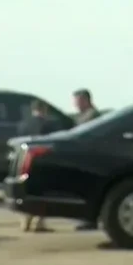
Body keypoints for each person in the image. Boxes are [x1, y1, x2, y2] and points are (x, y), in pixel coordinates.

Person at [15, 100, 65, 233]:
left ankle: (25, 221)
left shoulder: (23, 124)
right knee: (42, 192)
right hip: (43, 160)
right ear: (45, 109)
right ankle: (39, 223)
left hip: (26, 160)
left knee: (27, 191)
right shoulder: (50, 124)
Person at [71, 88, 102, 231]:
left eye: (78, 101)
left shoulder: (92, 115)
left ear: (85, 100)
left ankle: (90, 220)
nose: (75, 104)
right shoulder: (81, 116)